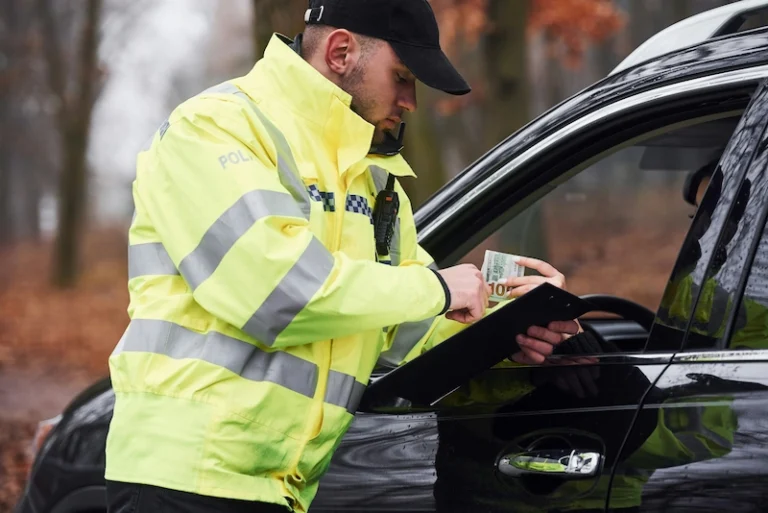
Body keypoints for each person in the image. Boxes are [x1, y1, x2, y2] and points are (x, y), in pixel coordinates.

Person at [103, 1, 580, 512]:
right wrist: (440, 289)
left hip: (281, 485)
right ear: (340, 51)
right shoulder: (217, 128)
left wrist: (506, 329)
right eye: (401, 76)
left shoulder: (373, 174)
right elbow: (278, 292)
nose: (411, 101)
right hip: (184, 476)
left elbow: (403, 329)